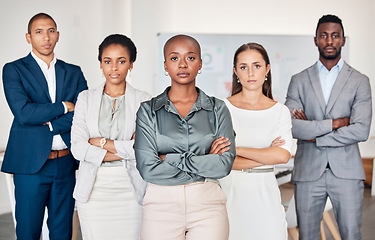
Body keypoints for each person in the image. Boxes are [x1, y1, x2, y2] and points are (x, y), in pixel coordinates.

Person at [134, 34, 236, 240]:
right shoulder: (148, 111)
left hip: (208, 205)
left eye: (190, 58)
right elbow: (147, 168)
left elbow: (223, 165)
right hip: (160, 205)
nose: (182, 64)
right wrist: (205, 159)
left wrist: (168, 158)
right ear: (165, 65)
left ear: (200, 63)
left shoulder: (218, 109)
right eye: (174, 58)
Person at [1, 13, 87, 240]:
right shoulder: (14, 70)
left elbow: (83, 116)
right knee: (28, 232)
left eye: (50, 31)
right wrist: (62, 107)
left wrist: (47, 123)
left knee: (62, 232)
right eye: (38, 32)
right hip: (30, 167)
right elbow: (24, 113)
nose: (45, 37)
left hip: (66, 163)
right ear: (28, 37)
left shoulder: (73, 72)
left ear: (57, 35)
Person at [285, 14, 372, 239]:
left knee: (351, 235)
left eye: (335, 36)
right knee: (307, 236)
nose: (330, 41)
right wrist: (336, 123)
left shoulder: (360, 81)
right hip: (308, 173)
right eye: (324, 36)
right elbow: (291, 127)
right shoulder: (299, 80)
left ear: (343, 40)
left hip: (347, 172)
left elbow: (361, 130)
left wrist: (315, 134)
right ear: (316, 40)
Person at [70, 34, 150, 239]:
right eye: (108, 61)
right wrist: (126, 149)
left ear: (131, 64)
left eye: (121, 61)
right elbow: (78, 148)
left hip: (130, 189)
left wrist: (102, 143)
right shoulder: (85, 99)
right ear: (100, 64)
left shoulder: (144, 100)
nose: (114, 68)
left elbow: (145, 148)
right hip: (93, 190)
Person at [218, 43, 292, 240]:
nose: (250, 72)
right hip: (229, 195)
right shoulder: (222, 108)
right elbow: (220, 161)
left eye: (257, 66)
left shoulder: (279, 112)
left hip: (265, 197)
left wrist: (237, 149)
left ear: (267, 69)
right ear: (236, 72)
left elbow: (283, 155)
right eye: (243, 67)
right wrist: (266, 155)